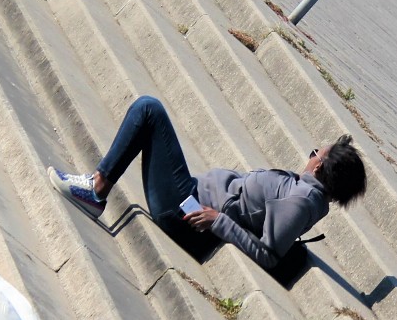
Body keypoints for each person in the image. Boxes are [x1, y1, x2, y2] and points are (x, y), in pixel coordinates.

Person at [48, 96, 366, 270]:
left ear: (319, 165)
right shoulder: (304, 193)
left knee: (149, 109)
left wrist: (219, 220)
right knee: (150, 113)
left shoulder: (302, 201)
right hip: (189, 197)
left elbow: (269, 254)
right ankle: (97, 184)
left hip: (185, 212)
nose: (309, 155)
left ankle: (96, 188)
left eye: (314, 152)